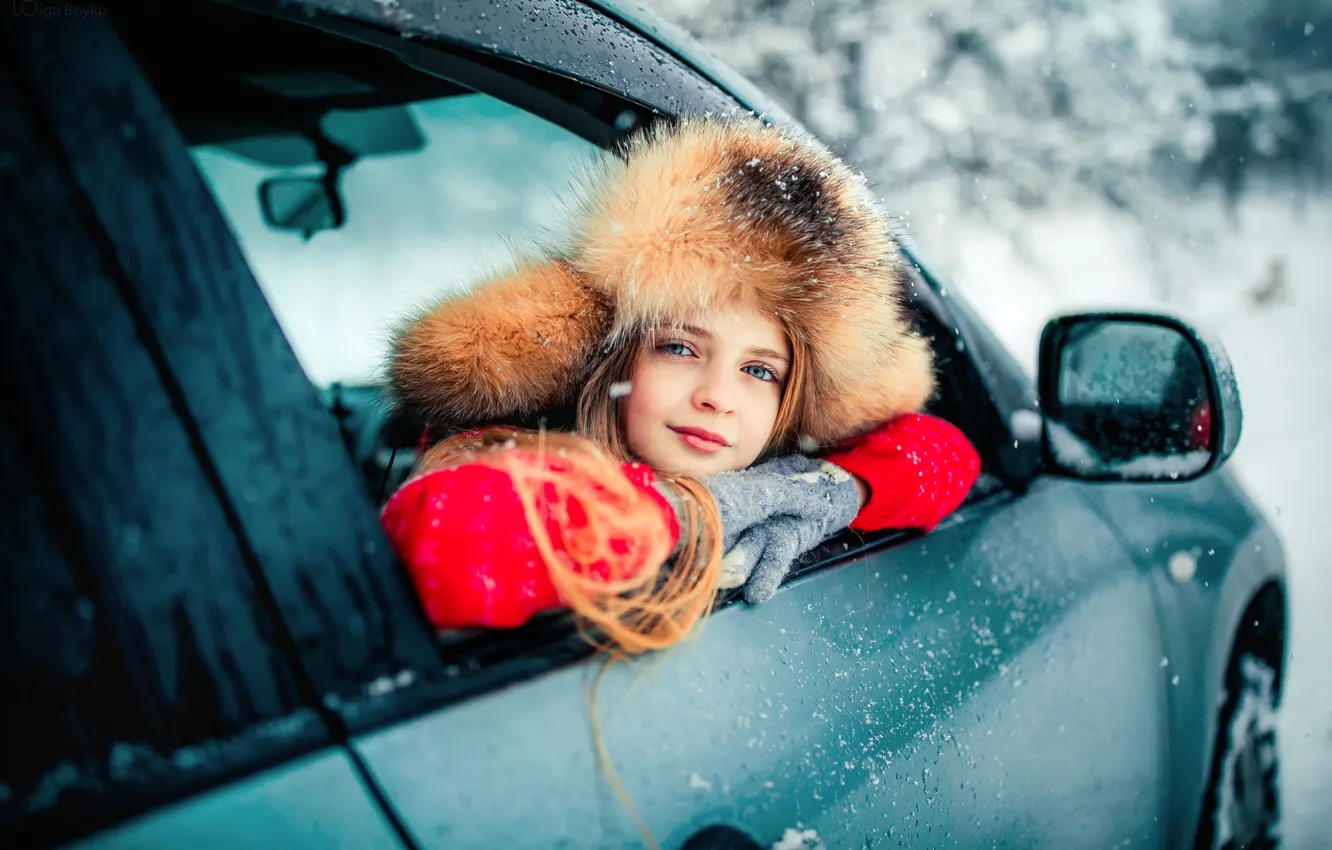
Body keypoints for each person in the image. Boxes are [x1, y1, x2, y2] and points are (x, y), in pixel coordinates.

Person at [379, 116, 981, 655]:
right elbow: (455, 545)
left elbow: (946, 455)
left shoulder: (779, 458)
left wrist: (823, 492)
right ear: (615, 359)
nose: (716, 395)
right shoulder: (514, 456)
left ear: (789, 404)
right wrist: (704, 512)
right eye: (680, 348)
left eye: (758, 371)